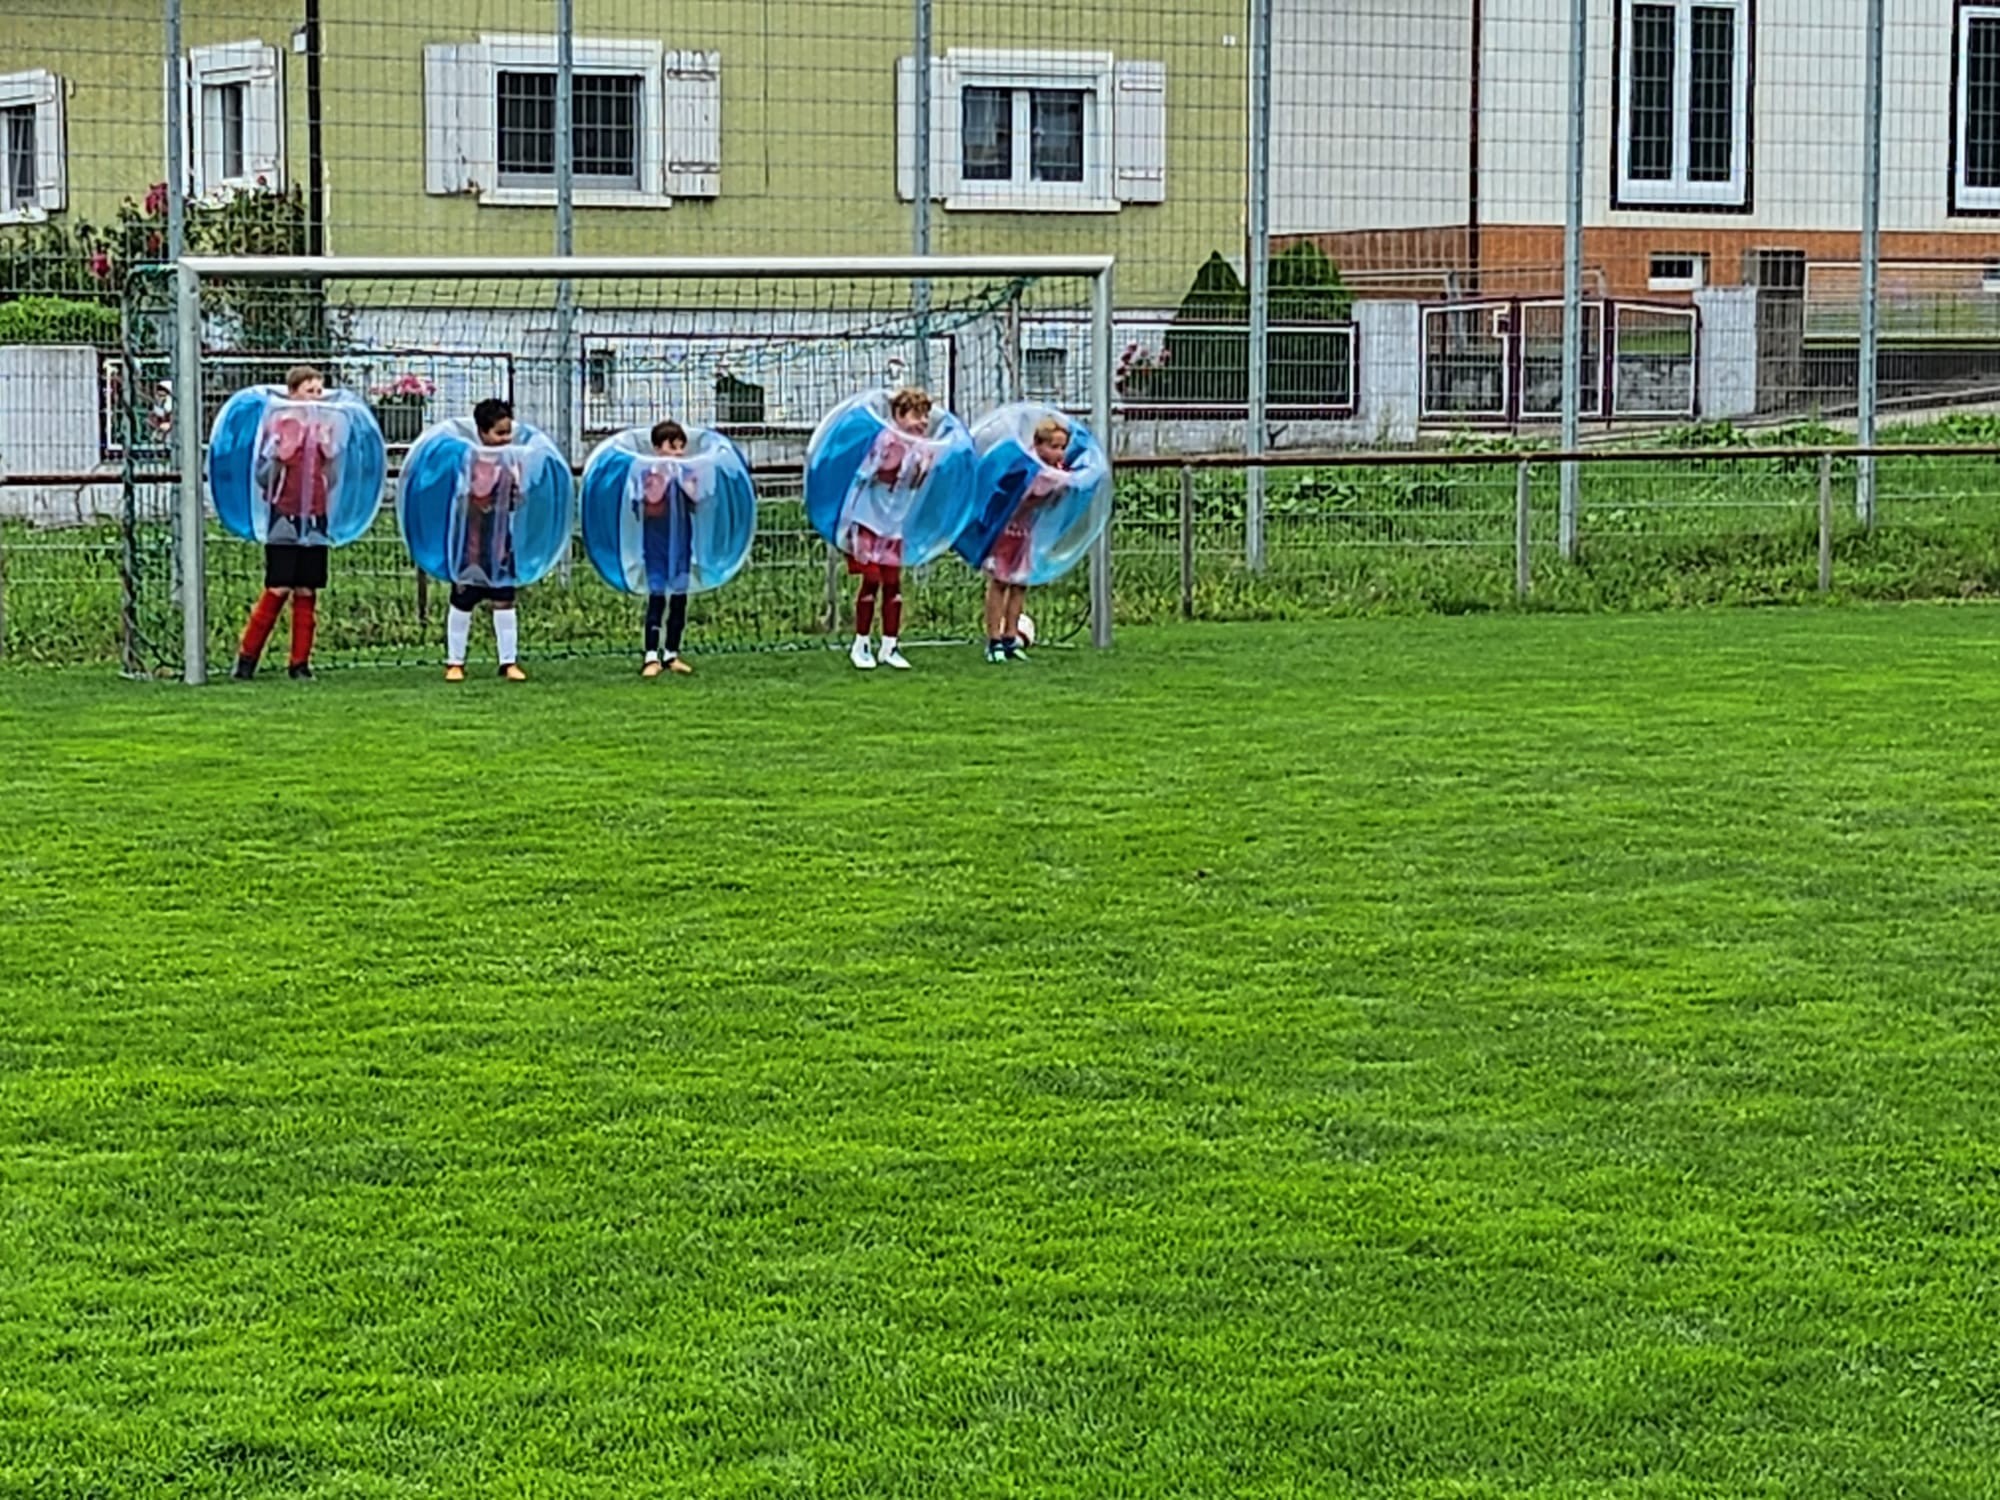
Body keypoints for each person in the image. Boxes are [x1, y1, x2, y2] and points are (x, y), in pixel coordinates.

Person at [232, 364, 334, 681]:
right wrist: (279, 454)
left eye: (319, 391)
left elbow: (333, 476)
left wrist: (329, 450)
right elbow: (263, 476)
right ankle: (247, 658)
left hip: (315, 514)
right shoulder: (279, 425)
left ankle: (300, 663)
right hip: (284, 513)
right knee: (278, 586)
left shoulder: (325, 428)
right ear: (292, 394)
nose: (315, 397)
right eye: (309, 391)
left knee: (307, 588)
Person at [839, 386, 933, 671]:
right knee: (872, 579)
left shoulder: (922, 448)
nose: (923, 422)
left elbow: (913, 484)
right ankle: (861, 644)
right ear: (898, 416)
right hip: (869, 519)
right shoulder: (886, 440)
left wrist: (923, 469)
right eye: (916, 415)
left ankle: (890, 646)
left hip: (894, 524)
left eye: (925, 415)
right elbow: (871, 474)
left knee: (893, 583)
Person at [444, 397, 529, 683]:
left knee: (504, 600)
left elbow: (518, 499)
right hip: (471, 543)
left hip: (501, 543)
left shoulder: (512, 463)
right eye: (499, 433)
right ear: (482, 432)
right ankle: (455, 662)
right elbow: (462, 500)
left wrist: (516, 492)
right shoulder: (469, 461)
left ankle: (508, 662)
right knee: (462, 600)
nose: (506, 438)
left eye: (508, 432)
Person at [982, 415, 1071, 664]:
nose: (1059, 453)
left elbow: (1050, 505)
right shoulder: (1025, 467)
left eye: (1062, 447)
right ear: (1038, 445)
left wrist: (1059, 490)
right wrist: (1043, 491)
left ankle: (1011, 637)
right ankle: (994, 640)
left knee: (1020, 583)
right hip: (1006, 532)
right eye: (1054, 447)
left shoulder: (1056, 471)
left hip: (1026, 533)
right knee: (1000, 582)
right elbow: (1015, 501)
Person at [638, 419, 697, 678]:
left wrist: (682, 476)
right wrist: (664, 473)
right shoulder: (649, 475)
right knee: (657, 596)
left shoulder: (687, 473)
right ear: (657, 448)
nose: (679, 452)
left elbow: (696, 497)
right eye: (672, 446)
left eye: (681, 446)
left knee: (679, 598)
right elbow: (651, 500)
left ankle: (672, 653)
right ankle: (651, 655)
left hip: (681, 544)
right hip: (656, 545)